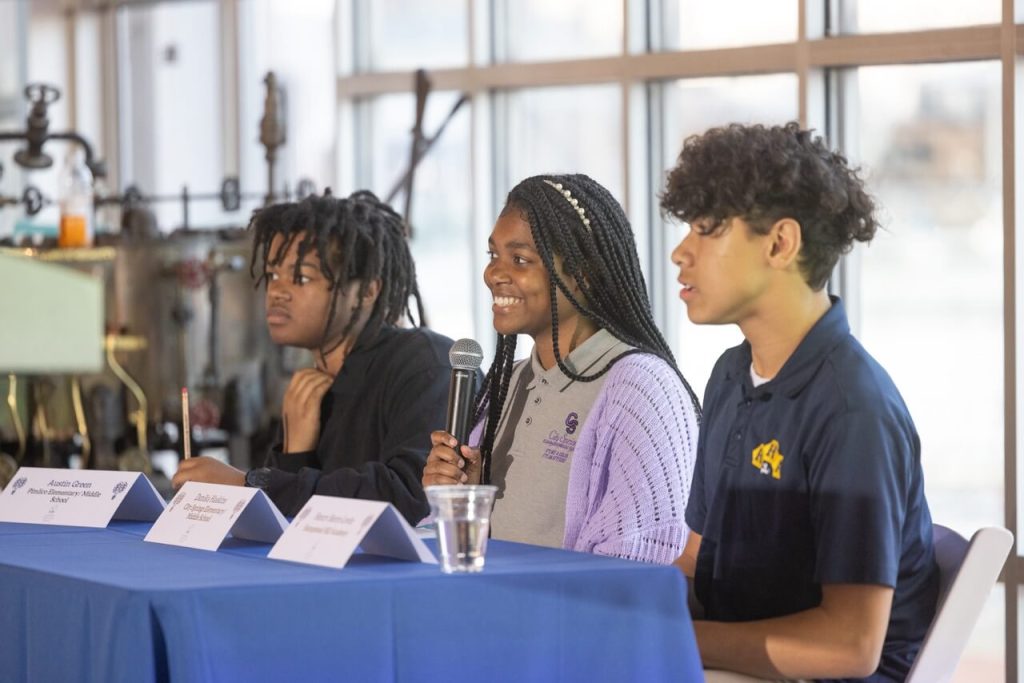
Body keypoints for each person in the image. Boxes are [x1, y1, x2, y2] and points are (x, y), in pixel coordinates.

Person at [662, 122, 938, 682]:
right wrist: (610, 607)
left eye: (706, 229)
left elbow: (851, 646)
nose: (680, 252)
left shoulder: (853, 410)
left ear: (780, 243)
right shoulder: (730, 375)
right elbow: (695, 558)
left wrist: (669, 638)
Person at [422, 173, 701, 564]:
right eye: (493, 256)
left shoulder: (642, 386)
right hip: (488, 598)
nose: (493, 274)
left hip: (566, 604)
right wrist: (458, 500)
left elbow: (638, 563)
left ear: (583, 273)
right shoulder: (508, 383)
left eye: (520, 260)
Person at [172, 191, 453, 524]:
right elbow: (288, 523)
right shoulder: (310, 387)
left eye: (301, 278)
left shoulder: (425, 363)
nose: (277, 291)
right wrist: (296, 453)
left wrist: (247, 484)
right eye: (273, 275)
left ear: (366, 291)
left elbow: (412, 496)